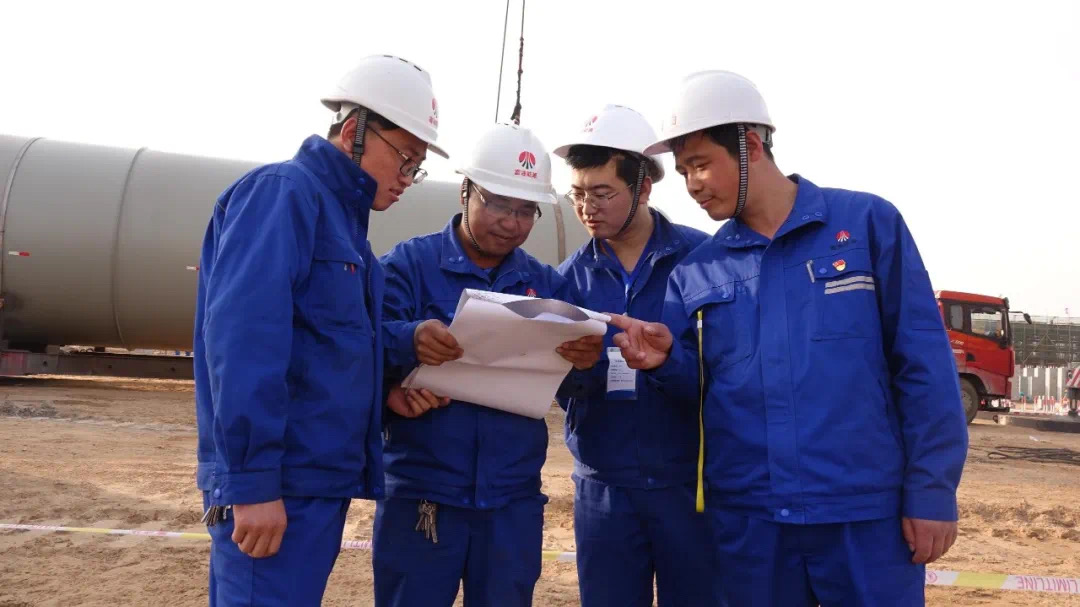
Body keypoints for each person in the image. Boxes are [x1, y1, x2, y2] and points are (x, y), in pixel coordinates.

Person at [609, 70, 969, 606]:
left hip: (863, 515)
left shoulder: (867, 225)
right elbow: (699, 393)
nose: (692, 185)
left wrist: (932, 492)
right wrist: (664, 363)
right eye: (684, 171)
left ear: (751, 146)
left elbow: (923, 366)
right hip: (752, 524)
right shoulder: (697, 271)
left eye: (701, 164)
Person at [192, 54, 446, 606]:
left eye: (417, 167)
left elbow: (331, 343)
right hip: (280, 485)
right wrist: (253, 484)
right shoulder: (282, 194)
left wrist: (391, 379)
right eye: (405, 159)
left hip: (315, 481)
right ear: (354, 132)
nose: (408, 179)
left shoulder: (344, 225)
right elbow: (243, 343)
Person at [374, 122, 602, 607]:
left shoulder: (547, 287)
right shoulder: (408, 267)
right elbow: (361, 348)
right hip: (423, 495)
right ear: (466, 191)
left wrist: (584, 364)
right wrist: (407, 341)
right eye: (498, 204)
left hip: (511, 501)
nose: (511, 223)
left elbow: (574, 391)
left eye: (525, 211)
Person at [550, 104, 717, 606]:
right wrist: (579, 370)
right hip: (602, 491)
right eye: (577, 194)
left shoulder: (703, 261)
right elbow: (558, 388)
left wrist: (667, 364)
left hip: (687, 488)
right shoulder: (566, 281)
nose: (587, 208)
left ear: (643, 187)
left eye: (602, 193)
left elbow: (731, 377)